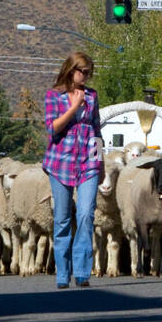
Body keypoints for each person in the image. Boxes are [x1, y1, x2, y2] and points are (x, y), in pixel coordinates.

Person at [44, 52, 103, 289]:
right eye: (83, 72)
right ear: (71, 70)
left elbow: (97, 129)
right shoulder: (54, 96)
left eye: (90, 73)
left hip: (88, 161)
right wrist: (74, 106)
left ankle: (81, 272)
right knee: (62, 218)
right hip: (60, 162)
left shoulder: (92, 96)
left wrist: (102, 163)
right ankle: (62, 273)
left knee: (87, 213)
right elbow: (53, 128)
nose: (87, 77)